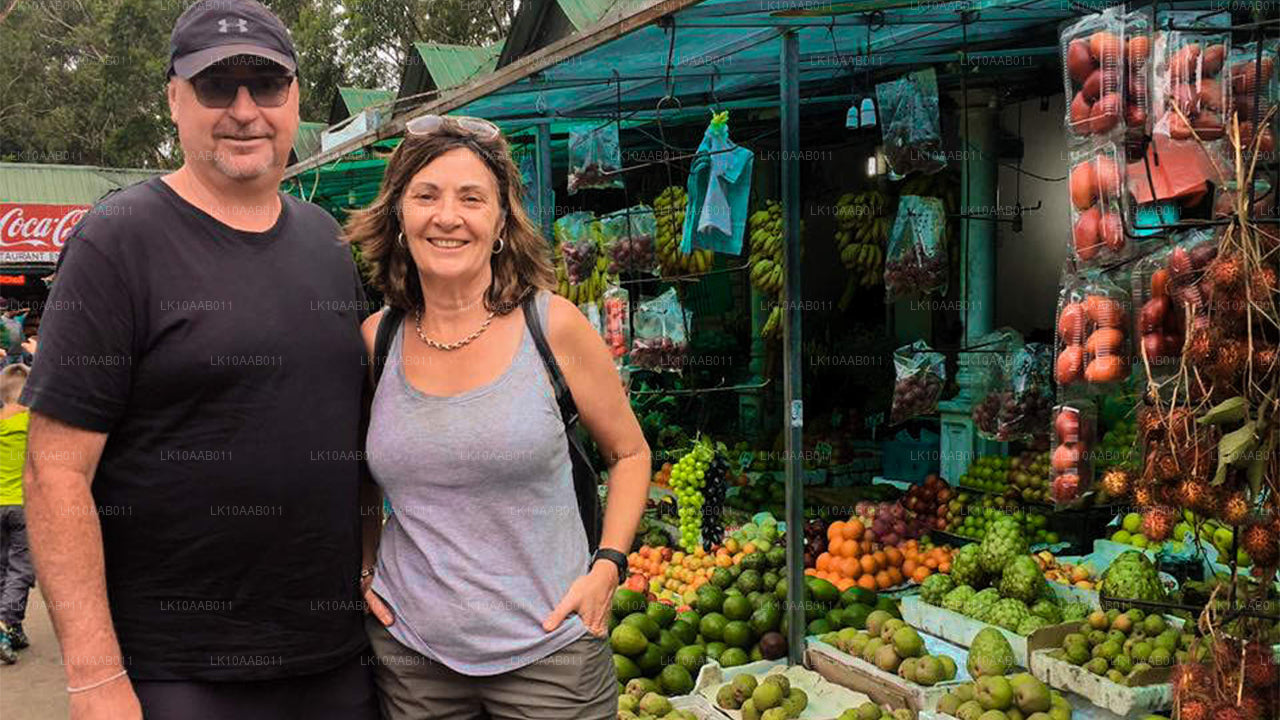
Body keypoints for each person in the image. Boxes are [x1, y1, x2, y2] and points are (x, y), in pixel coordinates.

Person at [19, 1, 378, 718]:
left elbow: (355, 430)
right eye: (216, 86)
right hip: (176, 673)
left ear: (295, 98)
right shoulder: (117, 241)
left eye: (266, 85)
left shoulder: (328, 242)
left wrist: (370, 564)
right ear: (174, 101)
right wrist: (93, 675)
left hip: (335, 658)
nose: (244, 111)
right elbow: (54, 471)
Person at [346, 115, 651, 719]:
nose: (448, 216)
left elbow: (630, 453)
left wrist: (609, 566)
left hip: (552, 655)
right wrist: (364, 562)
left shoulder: (553, 325)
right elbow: (360, 471)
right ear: (400, 217)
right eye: (426, 196)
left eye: (471, 198)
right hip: (413, 658)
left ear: (502, 222)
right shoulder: (377, 340)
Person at [0, 363, 32, 665]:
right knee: (21, 569)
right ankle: (5, 623)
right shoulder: (32, 423)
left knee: (2, 569)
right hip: (22, 507)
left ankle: (15, 631)